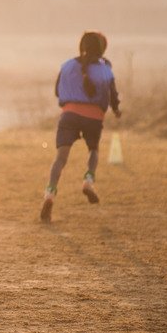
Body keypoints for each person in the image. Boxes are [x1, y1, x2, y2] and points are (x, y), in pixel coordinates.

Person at [40, 31, 121, 223]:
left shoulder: (67, 65)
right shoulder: (105, 68)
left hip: (69, 114)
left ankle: (50, 193)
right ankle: (88, 180)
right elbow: (113, 94)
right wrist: (116, 109)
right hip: (94, 117)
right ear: (102, 48)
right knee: (93, 150)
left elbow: (57, 91)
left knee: (60, 159)